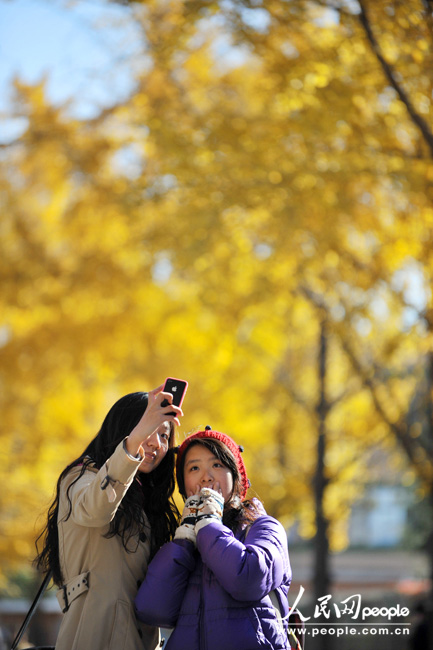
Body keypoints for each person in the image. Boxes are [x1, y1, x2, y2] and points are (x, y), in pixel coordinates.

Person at [35, 385, 183, 650]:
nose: (155, 443)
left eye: (164, 435)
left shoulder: (147, 502)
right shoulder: (80, 477)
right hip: (95, 636)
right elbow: (96, 509)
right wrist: (134, 443)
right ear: (124, 428)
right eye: (148, 429)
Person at [135, 427, 292, 650]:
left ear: (235, 477)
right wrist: (183, 540)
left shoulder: (263, 527)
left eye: (217, 465)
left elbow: (247, 579)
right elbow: (152, 609)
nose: (206, 476)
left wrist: (209, 524)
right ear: (184, 485)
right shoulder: (184, 543)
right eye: (194, 468)